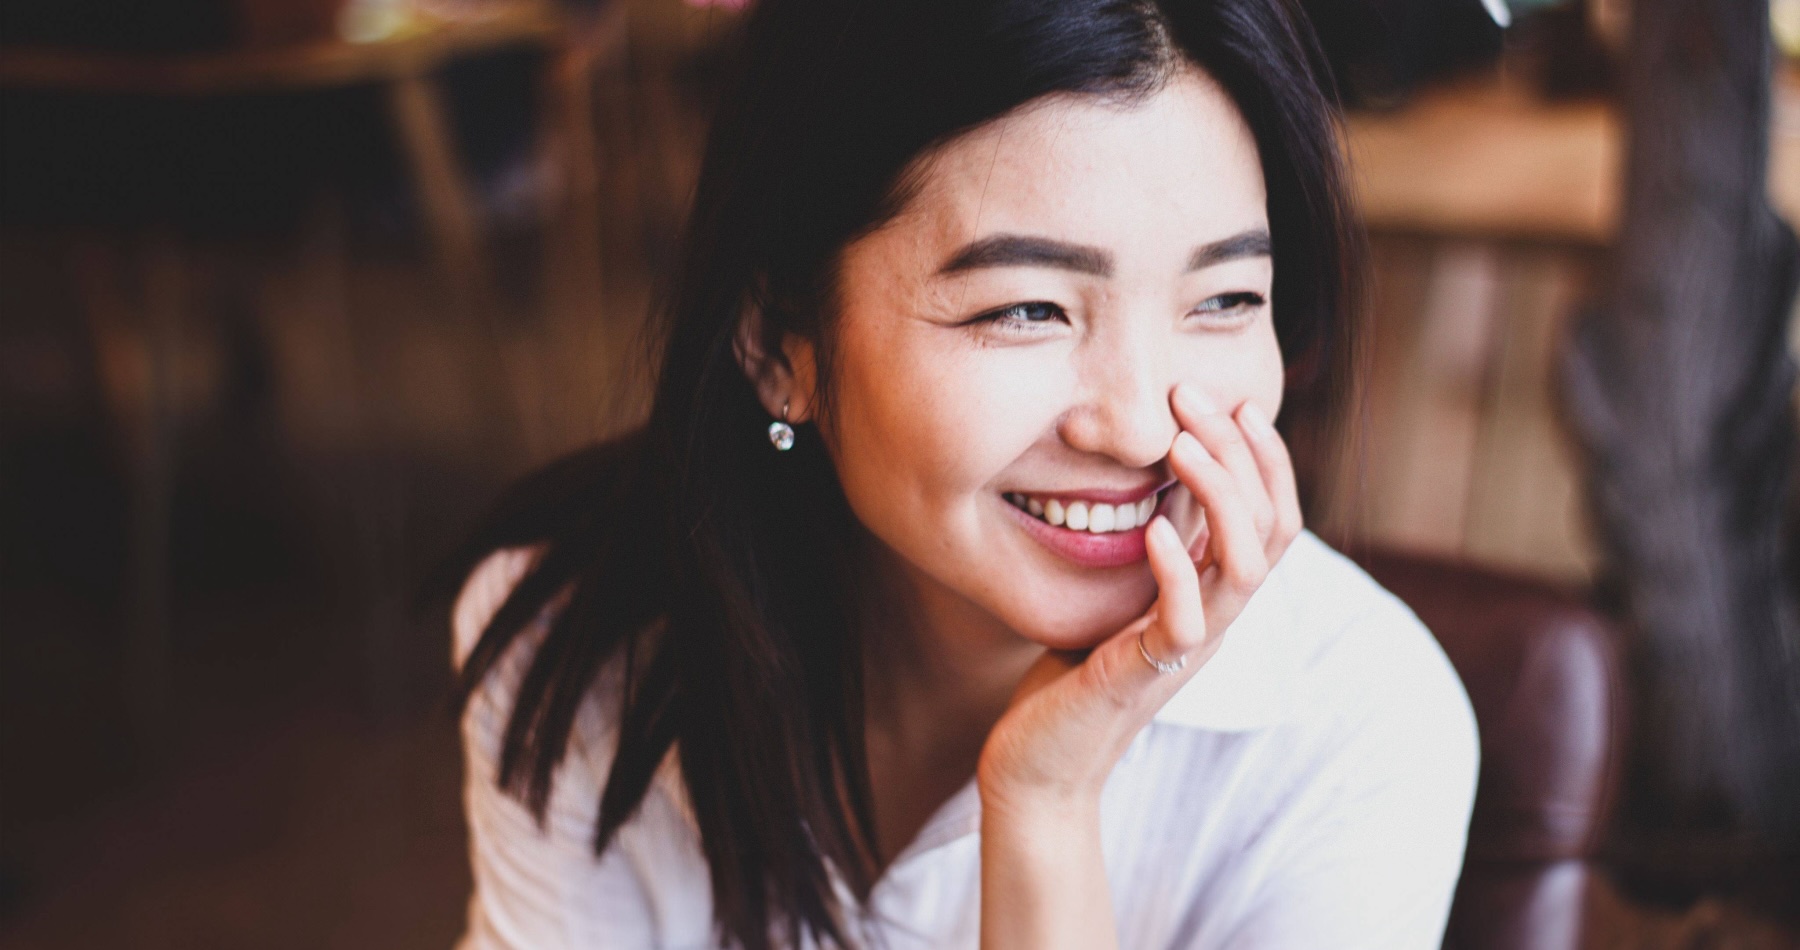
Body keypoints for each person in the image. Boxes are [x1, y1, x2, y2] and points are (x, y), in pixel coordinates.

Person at [444, 0, 1478, 946]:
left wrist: (1046, 804)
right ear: (776, 343)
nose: (1134, 427)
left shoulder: (1363, 725)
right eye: (1025, 308)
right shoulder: (570, 632)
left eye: (1222, 300)